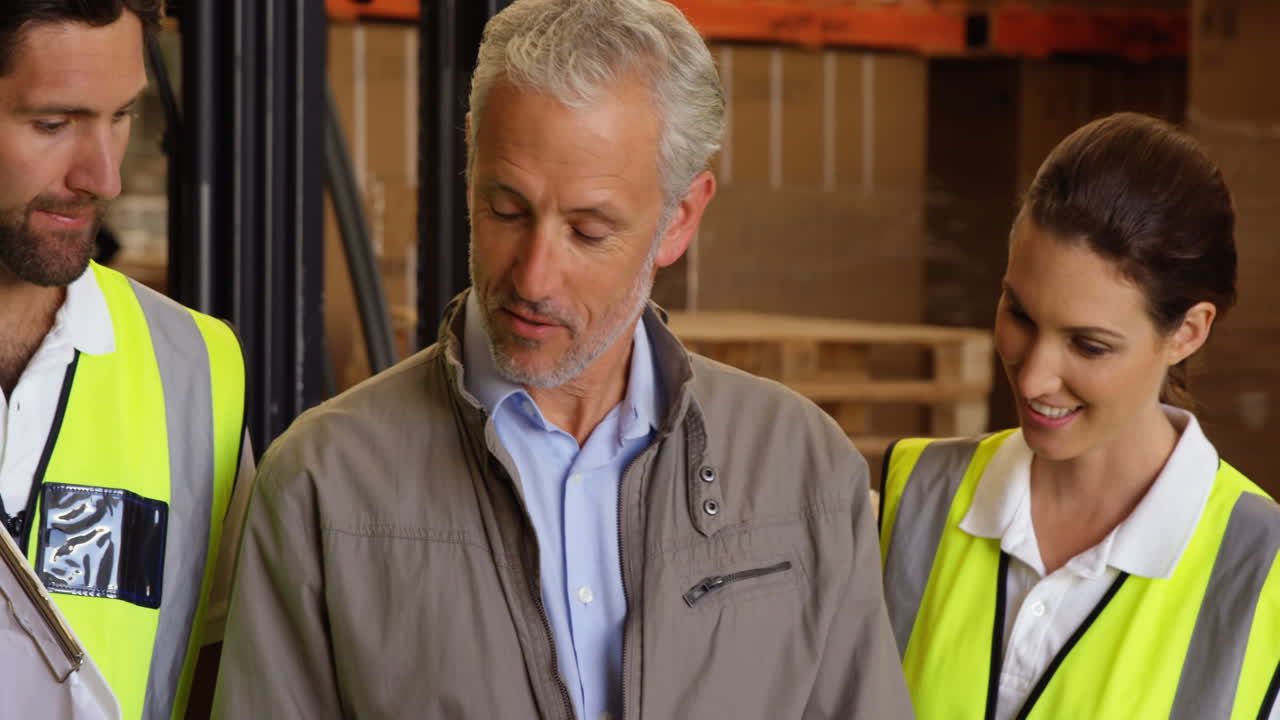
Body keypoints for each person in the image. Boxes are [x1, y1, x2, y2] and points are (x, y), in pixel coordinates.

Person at [212, 0, 913, 717]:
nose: (533, 278)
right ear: (470, 156)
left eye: (588, 230)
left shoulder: (803, 471)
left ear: (680, 218)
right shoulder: (321, 485)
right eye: (506, 210)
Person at [879, 112, 1280, 720]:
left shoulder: (1263, 574)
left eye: (1088, 345)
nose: (1034, 376)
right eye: (1019, 314)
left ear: (1189, 332)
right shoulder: (910, 501)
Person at [0, 2, 251, 718]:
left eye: (121, 116)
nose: (104, 176)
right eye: (54, 124)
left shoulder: (198, 369)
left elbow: (219, 673)